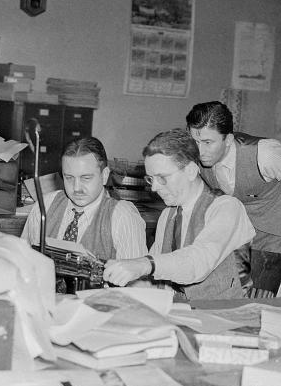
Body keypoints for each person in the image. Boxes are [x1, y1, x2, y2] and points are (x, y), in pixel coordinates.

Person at [103, 128, 255, 300]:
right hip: (182, 314)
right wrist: (115, 280)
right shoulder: (168, 215)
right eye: (150, 179)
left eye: (162, 178)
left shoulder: (226, 208)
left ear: (190, 170)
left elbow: (196, 262)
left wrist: (145, 264)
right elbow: (158, 280)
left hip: (224, 315)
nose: (154, 188)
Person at [185, 101, 281, 294]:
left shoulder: (265, 154)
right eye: (195, 141)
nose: (200, 151)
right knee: (235, 289)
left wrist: (277, 211)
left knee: (265, 294)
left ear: (228, 139)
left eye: (208, 143)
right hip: (240, 227)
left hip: (275, 229)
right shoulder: (198, 156)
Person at [20, 136, 147, 262]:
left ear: (104, 175)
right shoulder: (45, 206)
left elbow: (135, 280)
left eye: (86, 178)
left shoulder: (122, 216)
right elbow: (22, 261)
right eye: (69, 177)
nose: (76, 188)